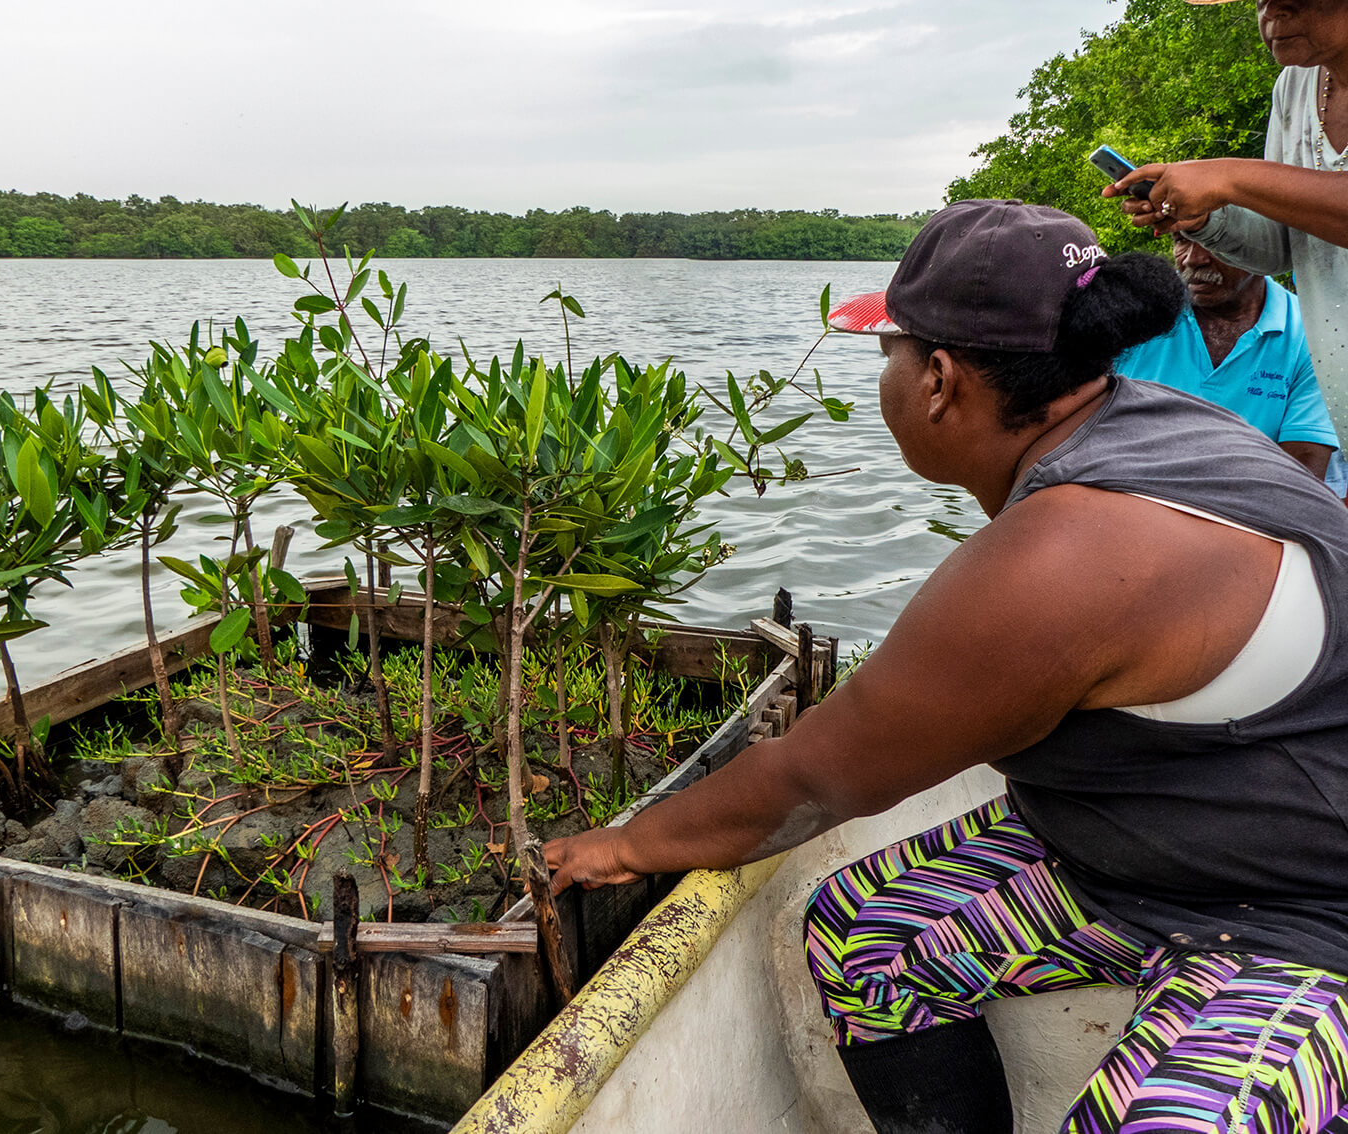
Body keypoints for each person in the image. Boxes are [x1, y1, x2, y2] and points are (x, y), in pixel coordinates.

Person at [545, 199, 1348, 1134]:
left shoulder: (1065, 556)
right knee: (866, 934)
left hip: (1305, 923)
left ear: (937, 379)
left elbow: (810, 778)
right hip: (1146, 863)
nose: (883, 376)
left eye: (887, 352)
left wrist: (619, 845)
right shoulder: (1142, 423)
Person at [1105, 0, 1348, 451]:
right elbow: (1282, 246)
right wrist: (1205, 218)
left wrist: (1229, 177)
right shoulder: (1294, 87)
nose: (1271, 13)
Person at [1116, 232, 1340, 480]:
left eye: (1215, 241)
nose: (1193, 258)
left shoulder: (1312, 334)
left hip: (1244, 515)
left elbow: (1301, 473)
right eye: (1181, 240)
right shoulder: (1139, 315)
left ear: (1263, 251)